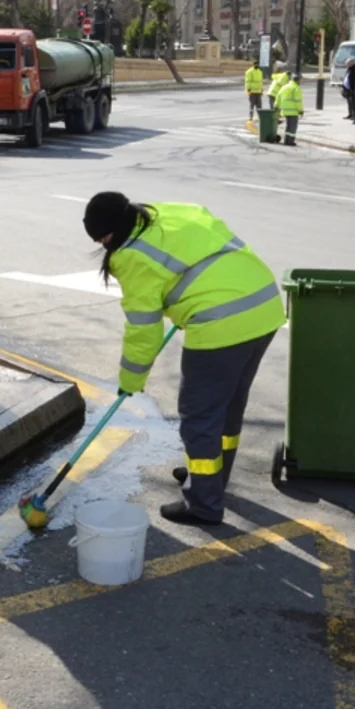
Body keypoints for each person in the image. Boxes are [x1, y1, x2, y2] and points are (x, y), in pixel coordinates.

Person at [82, 193, 284, 526]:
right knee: (229, 405)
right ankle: (211, 476)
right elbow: (196, 257)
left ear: (110, 233)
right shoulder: (166, 213)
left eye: (102, 240)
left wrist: (131, 380)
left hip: (222, 323)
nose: (105, 248)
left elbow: (142, 329)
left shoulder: (130, 256)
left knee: (199, 415)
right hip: (263, 304)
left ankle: (203, 503)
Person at [277, 72, 304, 146]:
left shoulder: (284, 87)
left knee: (288, 126)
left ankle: (286, 140)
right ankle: (290, 141)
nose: (300, 82)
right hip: (293, 111)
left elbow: (278, 96)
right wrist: (300, 111)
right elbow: (297, 102)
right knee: (293, 127)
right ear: (297, 80)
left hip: (285, 111)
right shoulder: (296, 88)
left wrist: (276, 106)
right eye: (300, 80)